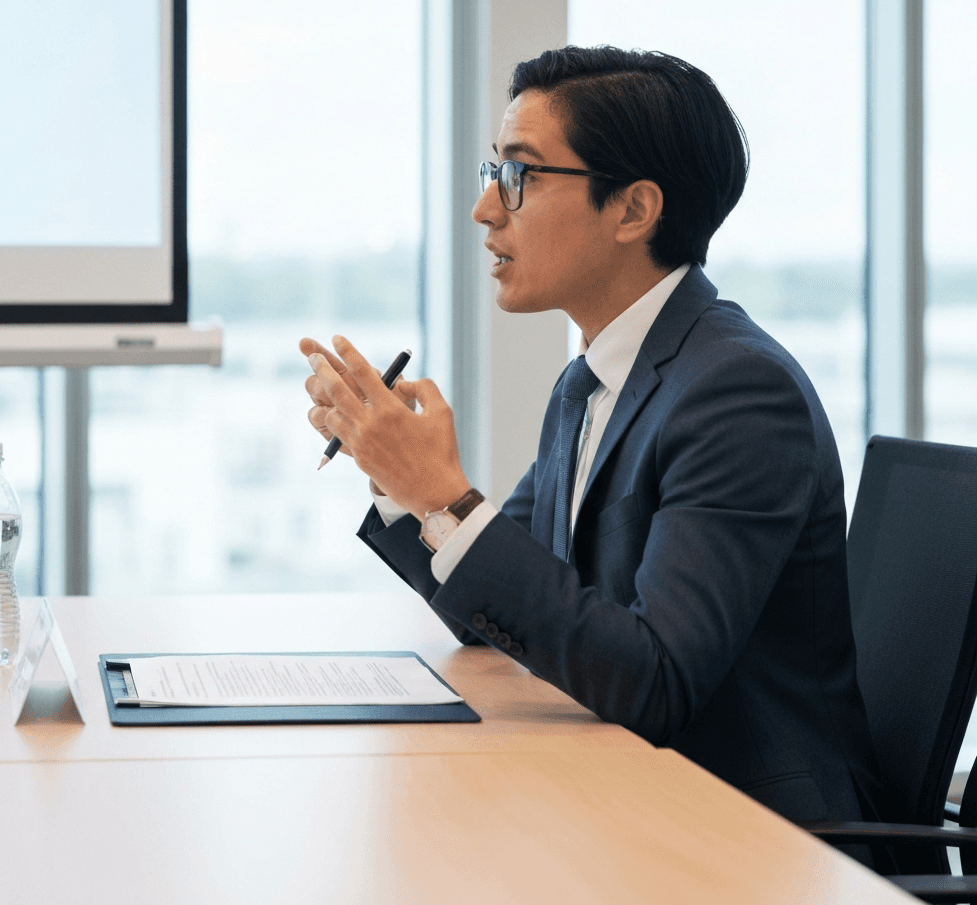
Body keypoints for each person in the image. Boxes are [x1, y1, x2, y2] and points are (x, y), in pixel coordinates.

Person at [301, 45, 882, 827]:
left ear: (634, 210)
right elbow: (489, 607)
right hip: (631, 800)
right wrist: (407, 488)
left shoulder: (738, 393)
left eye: (521, 175)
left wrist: (441, 493)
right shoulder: (593, 379)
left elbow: (657, 682)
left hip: (751, 835)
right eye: (492, 173)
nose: (486, 209)